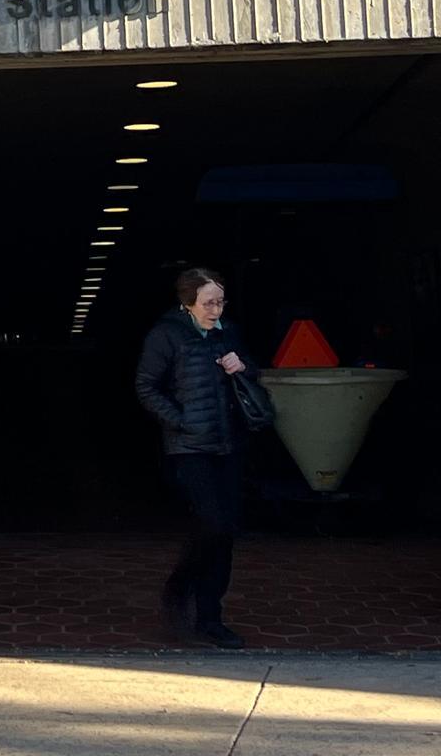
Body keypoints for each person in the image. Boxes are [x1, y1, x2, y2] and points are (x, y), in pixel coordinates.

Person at [134, 267, 255, 649]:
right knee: (212, 524)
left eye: (220, 302)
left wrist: (242, 368)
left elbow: (252, 377)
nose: (215, 311)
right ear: (187, 303)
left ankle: (210, 617)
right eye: (208, 304)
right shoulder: (166, 335)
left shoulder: (227, 332)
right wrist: (181, 421)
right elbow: (146, 386)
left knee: (225, 531)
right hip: (189, 448)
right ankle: (180, 589)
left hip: (226, 443)